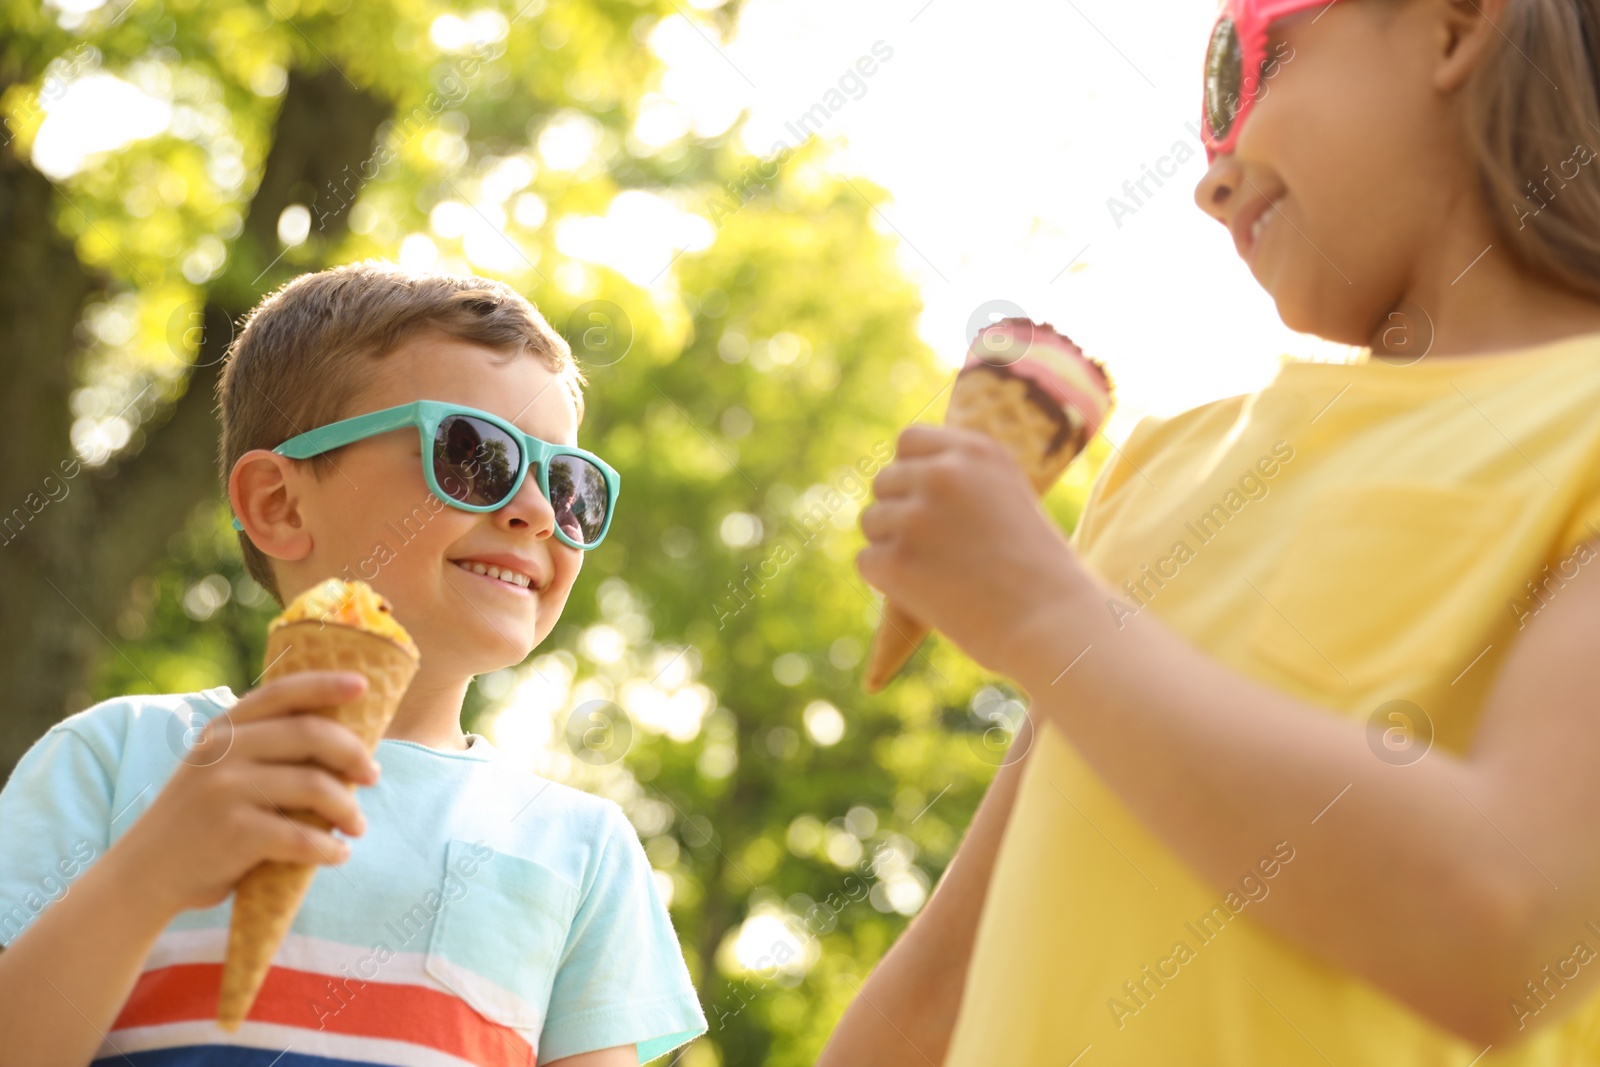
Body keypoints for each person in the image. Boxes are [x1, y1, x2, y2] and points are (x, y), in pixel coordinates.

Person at [831, 0, 1600, 1063]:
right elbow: (950, 970)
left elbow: (1509, 923)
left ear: (1453, 25)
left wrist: (1043, 612)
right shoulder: (1166, 465)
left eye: (1248, 70)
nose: (1212, 176)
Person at [0, 262, 707, 1066]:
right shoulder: (112, 759)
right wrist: (148, 872)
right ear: (280, 503)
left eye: (572, 485)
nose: (539, 512)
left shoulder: (584, 849)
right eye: (473, 454)